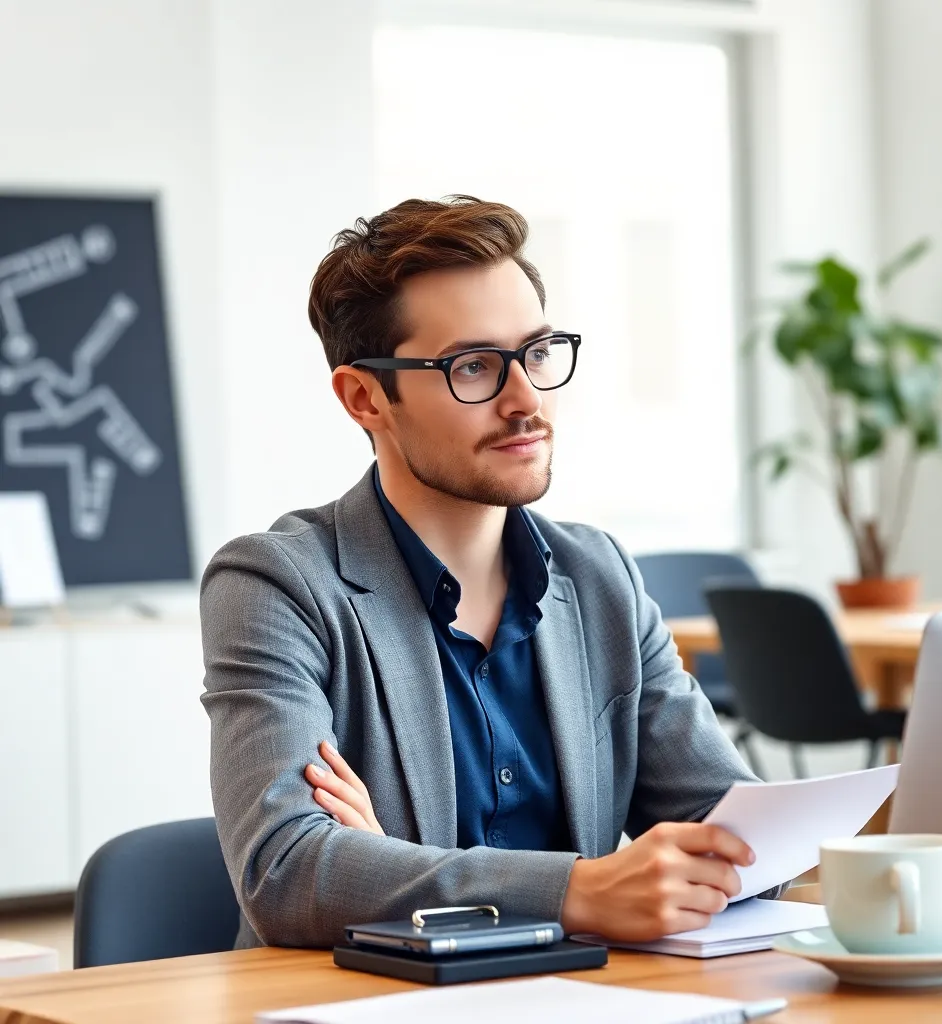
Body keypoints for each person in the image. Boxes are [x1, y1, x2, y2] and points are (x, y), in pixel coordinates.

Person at [201, 195, 774, 951]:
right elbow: (288, 874)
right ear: (365, 397)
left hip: (591, 996)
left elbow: (740, 836)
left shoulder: (600, 577)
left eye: (536, 354)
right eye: (473, 367)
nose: (526, 400)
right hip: (370, 1002)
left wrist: (392, 870)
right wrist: (579, 892)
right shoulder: (277, 584)